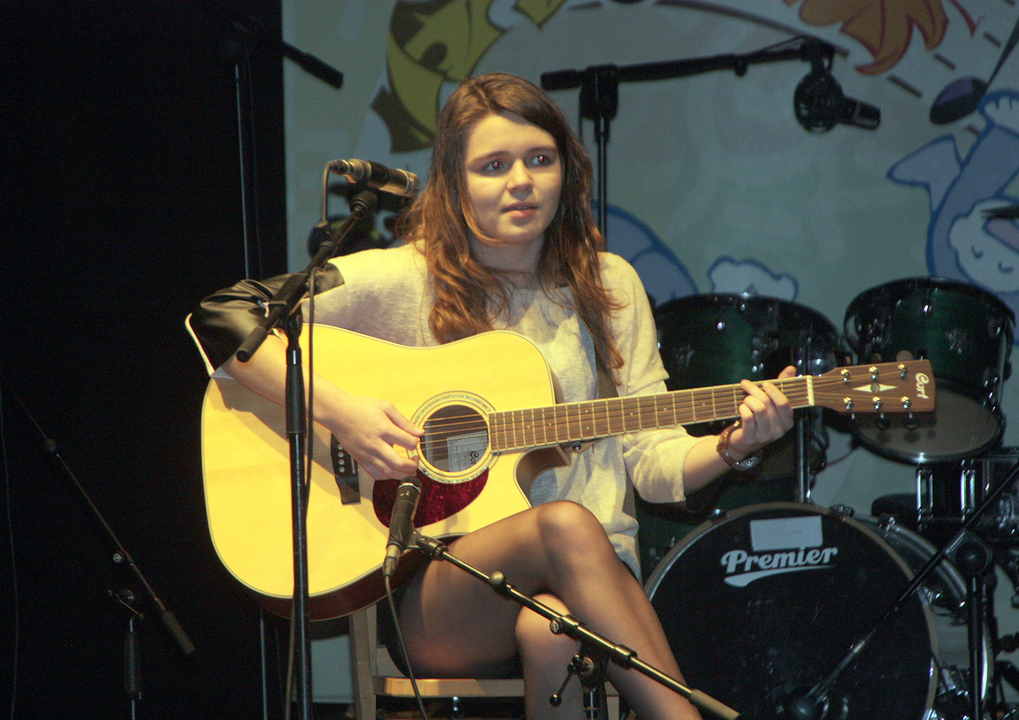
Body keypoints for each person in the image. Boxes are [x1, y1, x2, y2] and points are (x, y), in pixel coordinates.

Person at [189, 71, 795, 720]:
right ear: (454, 183)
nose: (521, 181)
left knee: (553, 629)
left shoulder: (609, 285)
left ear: (566, 172)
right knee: (562, 522)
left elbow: (649, 460)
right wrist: (344, 416)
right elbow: (222, 318)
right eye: (493, 165)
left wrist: (733, 448)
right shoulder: (406, 278)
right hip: (441, 590)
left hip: (593, 582)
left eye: (540, 159)